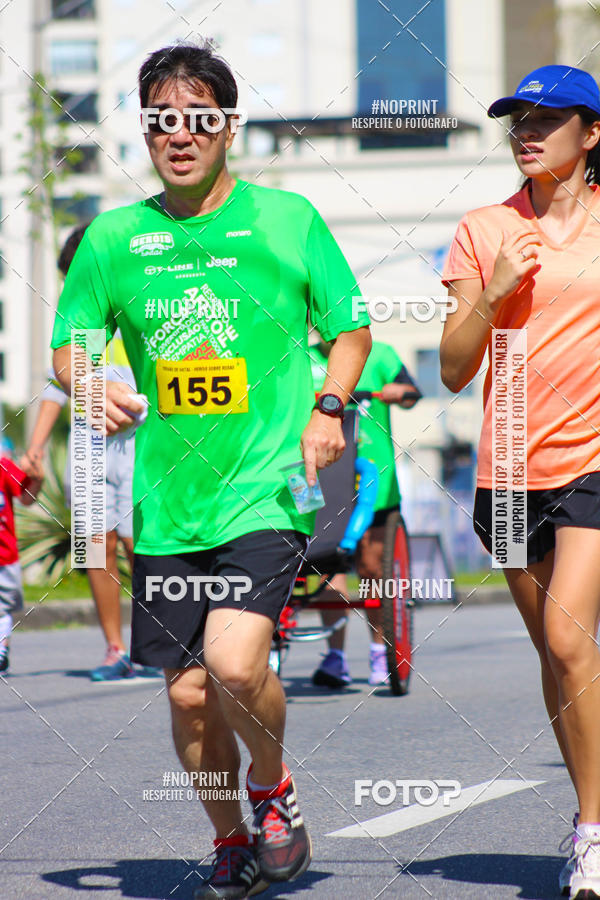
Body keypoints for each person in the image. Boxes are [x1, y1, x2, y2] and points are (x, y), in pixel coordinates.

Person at [50, 42, 371, 900]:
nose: (179, 136)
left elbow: (349, 328)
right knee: (190, 697)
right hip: (166, 503)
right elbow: (68, 345)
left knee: (234, 667)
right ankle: (231, 838)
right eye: (161, 121)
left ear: (228, 126)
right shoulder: (115, 239)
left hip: (263, 489)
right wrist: (88, 380)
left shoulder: (288, 219)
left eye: (198, 119)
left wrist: (330, 406)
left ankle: (272, 789)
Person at [440, 65, 600, 900]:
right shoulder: (480, 230)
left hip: (593, 461)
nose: (527, 131)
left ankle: (591, 834)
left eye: (547, 118)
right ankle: (593, 800)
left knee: (573, 642)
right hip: (506, 469)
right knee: (556, 655)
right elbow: (454, 368)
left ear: (592, 134)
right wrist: (494, 292)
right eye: (517, 119)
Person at [24, 225, 160, 681]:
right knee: (95, 549)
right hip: (90, 447)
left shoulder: (140, 304)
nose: (71, 288)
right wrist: (36, 448)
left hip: (142, 445)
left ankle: (155, 645)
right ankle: (114, 649)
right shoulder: (78, 326)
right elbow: (54, 387)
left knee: (140, 546)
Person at [309, 336, 421, 687]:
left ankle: (378, 651)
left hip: (375, 477)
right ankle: (336, 656)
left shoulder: (381, 354)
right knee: (328, 565)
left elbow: (411, 392)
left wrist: (397, 392)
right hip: (325, 480)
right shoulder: (301, 358)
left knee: (373, 566)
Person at [0, 454, 43, 673]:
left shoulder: (3, 466)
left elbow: (26, 497)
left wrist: (37, 479)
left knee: (2, 607)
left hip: (4, 556)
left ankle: (1, 650)